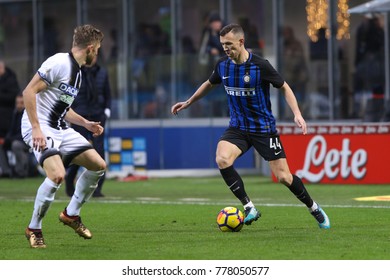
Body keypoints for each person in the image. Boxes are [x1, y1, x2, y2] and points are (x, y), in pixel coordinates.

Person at [171, 23, 330, 229]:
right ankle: (249, 207)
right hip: (238, 128)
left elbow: (285, 87)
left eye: (229, 44)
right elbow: (209, 83)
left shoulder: (260, 65)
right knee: (222, 158)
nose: (225, 48)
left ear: (241, 41)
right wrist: (188, 102)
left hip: (263, 129)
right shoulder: (222, 66)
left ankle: (313, 207)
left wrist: (297, 114)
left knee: (283, 177)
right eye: (222, 45)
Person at [22, 24, 106, 248]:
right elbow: (28, 91)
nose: (97, 54)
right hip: (39, 126)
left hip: (59, 127)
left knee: (98, 165)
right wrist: (37, 128)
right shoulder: (59, 62)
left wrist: (85, 123)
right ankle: (34, 228)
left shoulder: (77, 72)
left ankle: (71, 214)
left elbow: (62, 107)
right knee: (57, 175)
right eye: (96, 49)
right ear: (89, 48)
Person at [65, 53, 111, 198]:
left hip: (98, 116)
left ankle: (97, 188)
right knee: (78, 152)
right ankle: (69, 181)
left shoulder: (103, 72)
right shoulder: (75, 72)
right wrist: (69, 112)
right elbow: (67, 94)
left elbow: (108, 94)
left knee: (99, 152)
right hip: (80, 117)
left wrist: (106, 111)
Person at [3, 94, 36, 178]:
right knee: (3, 145)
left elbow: (24, 133)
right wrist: (6, 139)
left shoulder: (28, 115)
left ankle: (20, 172)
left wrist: (9, 139)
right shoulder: (15, 114)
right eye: (17, 103)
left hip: (27, 141)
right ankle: (6, 171)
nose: (19, 105)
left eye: (21, 103)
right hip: (15, 139)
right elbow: (11, 130)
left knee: (16, 145)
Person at [0, 59, 20, 177]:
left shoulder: (11, 80)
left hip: (6, 121)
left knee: (14, 144)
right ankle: (6, 170)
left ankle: (19, 171)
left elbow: (12, 96)